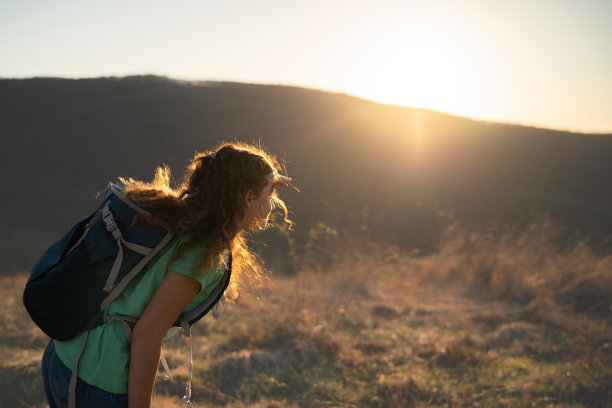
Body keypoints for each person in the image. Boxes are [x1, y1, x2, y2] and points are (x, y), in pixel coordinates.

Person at [40, 142, 292, 408]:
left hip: (64, 355)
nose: (271, 207)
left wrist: (267, 180)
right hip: (98, 381)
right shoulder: (205, 255)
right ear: (247, 197)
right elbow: (148, 334)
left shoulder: (180, 216)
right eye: (268, 199)